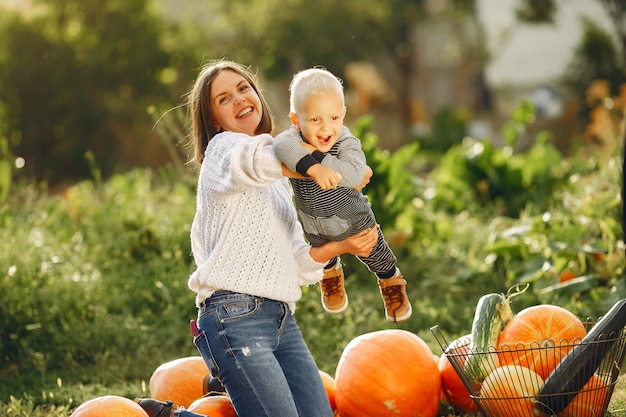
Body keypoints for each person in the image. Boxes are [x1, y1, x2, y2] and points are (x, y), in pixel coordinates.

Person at [135, 60, 379, 417]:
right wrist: (329, 169)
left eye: (243, 89)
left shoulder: (280, 182)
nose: (239, 99)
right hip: (234, 317)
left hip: (282, 319)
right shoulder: (224, 152)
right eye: (224, 98)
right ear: (214, 119)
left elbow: (295, 260)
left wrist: (341, 246)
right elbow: (254, 159)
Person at [273, 67, 412, 323]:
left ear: (343, 115)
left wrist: (315, 157)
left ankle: (390, 280)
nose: (326, 128)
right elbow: (280, 145)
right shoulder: (291, 139)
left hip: (355, 220)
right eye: (315, 120)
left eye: (334, 118)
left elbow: (354, 176)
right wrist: (313, 169)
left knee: (376, 253)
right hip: (313, 222)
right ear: (296, 120)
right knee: (321, 252)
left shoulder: (347, 143)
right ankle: (331, 274)